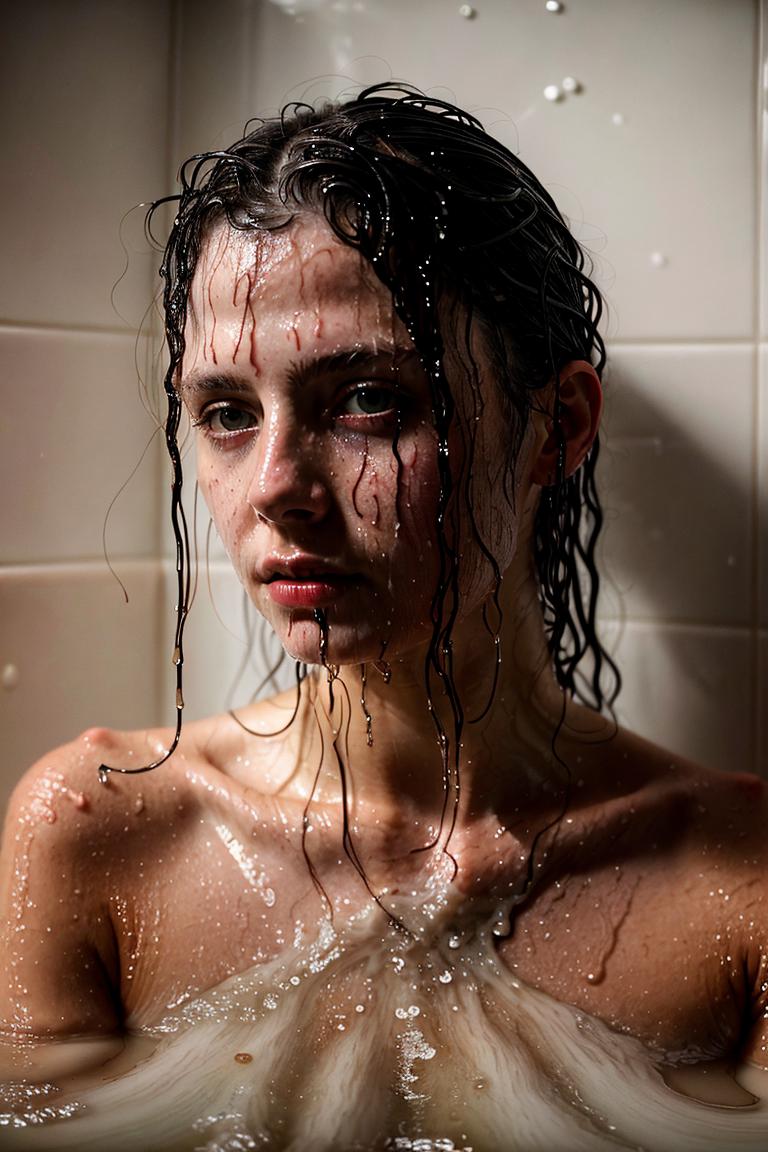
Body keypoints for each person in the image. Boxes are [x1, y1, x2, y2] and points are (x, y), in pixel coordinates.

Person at [1, 84, 767, 1152]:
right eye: (226, 413)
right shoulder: (103, 837)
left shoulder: (741, 891)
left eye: (367, 399)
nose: (275, 487)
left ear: (559, 427)